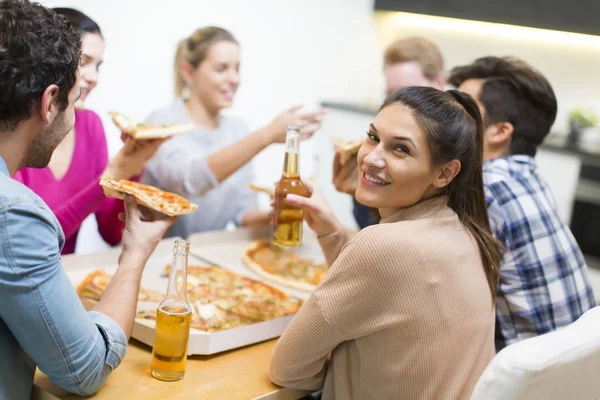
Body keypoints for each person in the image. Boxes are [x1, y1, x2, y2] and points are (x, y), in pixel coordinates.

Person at [269, 86, 500, 399]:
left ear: (445, 173)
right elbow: (390, 292)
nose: (371, 158)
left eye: (400, 149)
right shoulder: (468, 232)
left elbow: (288, 368)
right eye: (373, 137)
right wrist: (331, 231)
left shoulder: (385, 244)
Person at [0, 1, 175, 398]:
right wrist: (135, 255)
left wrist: (131, 171)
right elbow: (84, 370)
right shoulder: (14, 213)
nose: (80, 108)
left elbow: (107, 226)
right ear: (50, 102)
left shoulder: (90, 128)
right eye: (73, 97)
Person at [448, 56, 597, 351]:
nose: (446, 120)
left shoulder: (483, 190)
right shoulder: (526, 177)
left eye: (463, 111)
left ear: (500, 131)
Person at [142, 27, 328, 238]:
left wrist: (278, 214)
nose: (235, 79)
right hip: (157, 257)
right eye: (221, 69)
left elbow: (242, 213)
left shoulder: (238, 131)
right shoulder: (161, 124)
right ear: (189, 72)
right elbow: (189, 182)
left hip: (207, 257)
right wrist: (266, 135)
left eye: (237, 69)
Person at [13, 7, 166, 254]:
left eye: (99, 66)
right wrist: (111, 175)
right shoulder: (16, 129)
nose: (93, 77)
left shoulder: (91, 125)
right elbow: (28, 243)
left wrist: (132, 170)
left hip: (66, 277)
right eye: (84, 63)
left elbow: (111, 233)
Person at [332, 37, 446, 228]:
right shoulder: (377, 148)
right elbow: (373, 234)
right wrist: (365, 194)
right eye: (391, 94)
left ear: (440, 82)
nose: (398, 104)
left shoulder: (456, 146)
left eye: (409, 92)